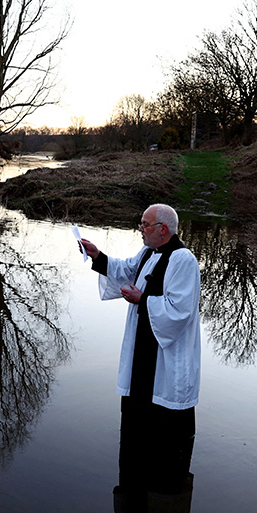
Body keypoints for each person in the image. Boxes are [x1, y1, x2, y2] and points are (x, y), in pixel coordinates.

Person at [78, 203, 200, 491]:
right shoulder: (149, 253)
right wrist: (98, 256)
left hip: (166, 353)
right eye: (141, 224)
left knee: (167, 442)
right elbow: (126, 270)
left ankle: (165, 492)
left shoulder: (183, 260)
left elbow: (181, 310)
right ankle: (133, 491)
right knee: (136, 425)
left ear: (163, 229)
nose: (140, 229)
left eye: (145, 224)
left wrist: (142, 300)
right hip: (143, 349)